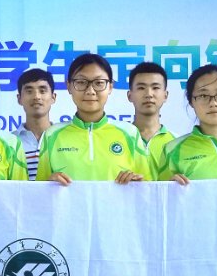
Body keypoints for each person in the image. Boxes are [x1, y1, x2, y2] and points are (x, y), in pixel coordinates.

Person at [35, 54, 150, 184]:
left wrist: (137, 181)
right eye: (81, 82)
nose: (90, 91)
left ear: (110, 86)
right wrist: (49, 182)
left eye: (99, 83)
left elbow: (148, 187)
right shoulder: (51, 135)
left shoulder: (130, 133)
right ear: (69, 86)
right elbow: (38, 190)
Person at [127, 62, 174, 178]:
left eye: (155, 88)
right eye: (141, 88)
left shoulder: (176, 143)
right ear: (129, 96)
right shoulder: (120, 138)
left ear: (165, 95)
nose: (149, 94)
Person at [15, 68, 56, 180]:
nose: (36, 97)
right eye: (29, 91)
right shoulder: (9, 142)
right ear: (19, 99)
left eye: (42, 91)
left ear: (53, 97)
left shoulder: (63, 137)